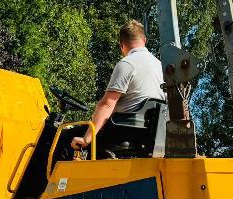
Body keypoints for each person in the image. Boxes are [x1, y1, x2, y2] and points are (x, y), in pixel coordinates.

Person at [71, 20, 165, 150]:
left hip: (120, 134)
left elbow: (108, 103)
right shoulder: (161, 67)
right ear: (144, 40)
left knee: (65, 136)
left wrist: (87, 138)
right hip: (150, 137)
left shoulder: (127, 64)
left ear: (121, 44)